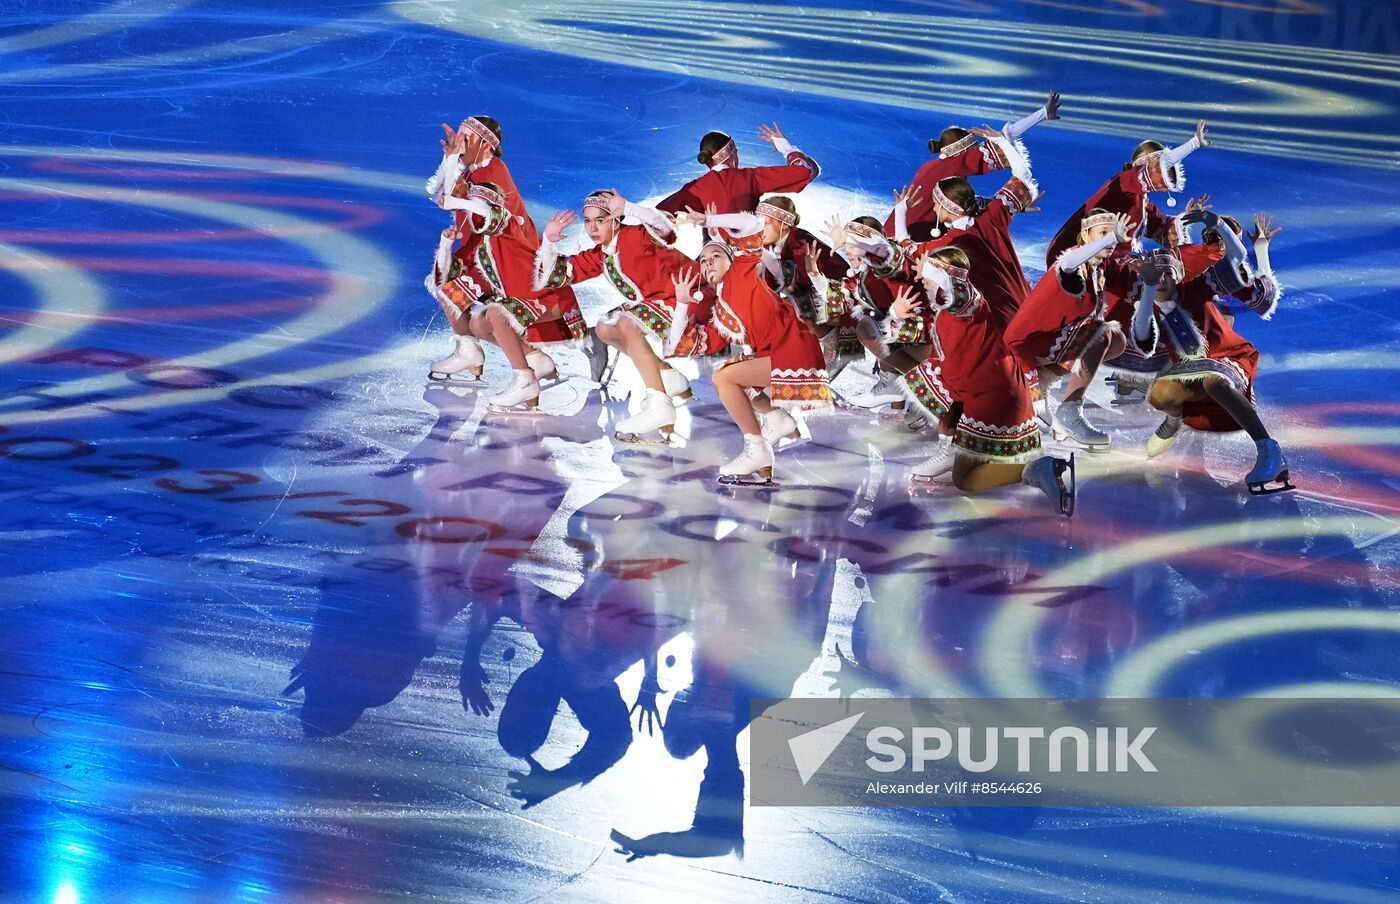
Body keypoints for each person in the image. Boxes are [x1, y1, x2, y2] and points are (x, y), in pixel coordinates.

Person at [900, 248, 1076, 515]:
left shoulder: (969, 304)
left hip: (995, 398)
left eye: (929, 273)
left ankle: (1036, 470)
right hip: (975, 393)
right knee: (929, 378)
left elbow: (958, 292)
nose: (922, 278)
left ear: (946, 275)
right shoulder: (944, 313)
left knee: (964, 480)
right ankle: (952, 449)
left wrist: (930, 270)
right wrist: (895, 312)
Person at [1129, 217, 1292, 494]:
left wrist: (1213, 220)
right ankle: (1175, 417)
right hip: (1187, 368)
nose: (1162, 282)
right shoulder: (1148, 305)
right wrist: (1146, 289)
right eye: (1156, 278)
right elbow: (1142, 334)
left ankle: (1269, 450)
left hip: (1228, 357)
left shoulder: (1194, 287)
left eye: (1167, 275)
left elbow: (1238, 258)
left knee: (1212, 378)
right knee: (1158, 395)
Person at [668, 231, 832, 487]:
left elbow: (750, 232)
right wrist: (680, 303)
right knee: (724, 375)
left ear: (731, 260)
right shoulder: (721, 308)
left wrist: (712, 223)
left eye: (715, 256)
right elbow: (684, 345)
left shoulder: (740, 276)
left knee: (725, 377)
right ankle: (776, 420)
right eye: (703, 260)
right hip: (780, 353)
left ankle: (757, 448)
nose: (708, 262)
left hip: (794, 352)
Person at [536, 190, 698, 441]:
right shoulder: (600, 254)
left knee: (626, 323)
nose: (592, 228)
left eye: (600, 220)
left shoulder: (638, 236)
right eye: (588, 220)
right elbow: (558, 276)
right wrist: (548, 241)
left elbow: (666, 230)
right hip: (659, 301)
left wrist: (630, 208)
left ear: (615, 219)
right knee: (604, 327)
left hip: (688, 296)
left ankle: (659, 403)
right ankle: (668, 376)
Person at [426, 180, 586, 409]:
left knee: (495, 313)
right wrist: (445, 245)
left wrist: (456, 201)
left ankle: (525, 380)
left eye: (476, 206)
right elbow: (445, 281)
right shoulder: (479, 242)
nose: (473, 213)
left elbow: (492, 213)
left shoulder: (512, 226)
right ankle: (534, 359)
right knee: (478, 324)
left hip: (551, 300)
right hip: (524, 306)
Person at [1003, 210, 1136, 451]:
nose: (1111, 239)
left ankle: (1052, 389)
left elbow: (1134, 285)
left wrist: (1153, 279)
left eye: (1113, 234)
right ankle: (1070, 411)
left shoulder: (1102, 265)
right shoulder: (1074, 261)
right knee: (1103, 333)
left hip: (1049, 343)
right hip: (1025, 346)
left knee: (1116, 339)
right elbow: (1066, 263)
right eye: (1103, 233)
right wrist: (1109, 239)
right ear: (1085, 236)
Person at [885, 92, 1060, 241]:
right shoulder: (951, 165)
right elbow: (1004, 138)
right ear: (963, 151)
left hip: (901, 238)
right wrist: (1042, 114)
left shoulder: (936, 169)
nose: (978, 151)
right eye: (974, 149)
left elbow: (966, 204)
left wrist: (1014, 205)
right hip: (908, 244)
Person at [1045, 121, 1210, 267]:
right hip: (1092, 260)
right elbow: (1161, 164)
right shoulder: (1124, 182)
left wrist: (1188, 216)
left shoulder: (1143, 202)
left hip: (1117, 265)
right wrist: (1194, 143)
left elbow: (1162, 230)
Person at [656, 123, 819, 220]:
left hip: (715, 259)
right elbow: (805, 171)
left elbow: (659, 215)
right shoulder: (749, 178)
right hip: (752, 255)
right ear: (731, 154)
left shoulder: (695, 188)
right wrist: (785, 147)